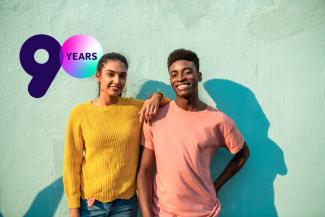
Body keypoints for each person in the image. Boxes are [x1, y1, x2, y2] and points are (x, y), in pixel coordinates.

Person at [137, 49, 250, 217]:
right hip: (163, 212)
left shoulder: (219, 120)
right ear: (170, 80)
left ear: (199, 76)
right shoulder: (155, 117)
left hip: (205, 212)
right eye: (174, 74)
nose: (180, 78)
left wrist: (216, 186)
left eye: (187, 72)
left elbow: (243, 153)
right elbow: (145, 171)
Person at [63, 52, 169, 217]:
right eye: (110, 74)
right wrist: (73, 210)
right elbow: (71, 164)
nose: (117, 81)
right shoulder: (80, 113)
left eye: (122, 76)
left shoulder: (134, 108)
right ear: (98, 76)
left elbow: (169, 105)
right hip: (90, 205)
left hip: (125, 204)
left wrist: (157, 96)